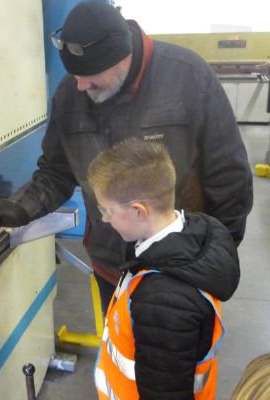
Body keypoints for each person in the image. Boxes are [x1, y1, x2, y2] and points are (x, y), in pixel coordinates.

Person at [0, 1, 252, 312]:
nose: (80, 86)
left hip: (179, 270)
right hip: (112, 267)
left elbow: (229, 176)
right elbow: (56, 171)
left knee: (173, 340)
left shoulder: (189, 77)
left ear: (122, 57)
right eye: (75, 75)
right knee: (119, 341)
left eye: (90, 75)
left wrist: (215, 254)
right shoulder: (70, 94)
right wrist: (21, 208)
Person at [87, 137, 239, 400]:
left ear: (139, 211)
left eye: (108, 210)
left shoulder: (164, 302)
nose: (104, 218)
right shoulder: (189, 233)